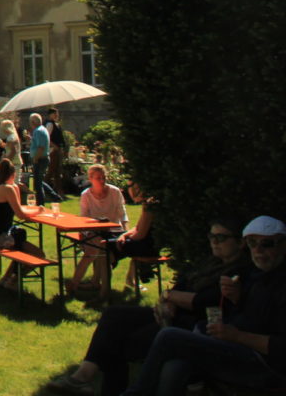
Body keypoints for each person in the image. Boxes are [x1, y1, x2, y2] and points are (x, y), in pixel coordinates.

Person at [49, 217, 249, 396]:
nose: (214, 242)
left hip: (193, 326)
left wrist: (169, 296)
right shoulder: (210, 263)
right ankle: (85, 374)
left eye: (221, 238)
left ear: (240, 243)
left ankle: (100, 386)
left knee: (122, 341)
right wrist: (169, 301)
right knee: (114, 315)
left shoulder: (239, 272)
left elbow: (204, 301)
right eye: (212, 236)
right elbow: (183, 285)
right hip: (174, 313)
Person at [121, 215, 286, 396]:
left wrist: (236, 336)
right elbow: (253, 315)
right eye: (253, 243)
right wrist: (237, 299)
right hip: (238, 347)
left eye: (267, 244)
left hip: (267, 365)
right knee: (176, 364)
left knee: (170, 336)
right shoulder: (256, 276)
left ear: (282, 245)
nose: (258, 250)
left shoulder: (277, 282)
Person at [0, 158, 44, 291]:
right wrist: (39, 211)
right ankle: (13, 280)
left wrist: (16, 187)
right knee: (39, 255)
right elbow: (21, 214)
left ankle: (6, 279)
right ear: (12, 174)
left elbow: (17, 208)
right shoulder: (7, 188)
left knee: (21, 246)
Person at [67, 164, 130, 298]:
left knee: (100, 248)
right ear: (91, 179)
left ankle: (81, 284)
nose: (102, 180)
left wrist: (125, 230)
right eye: (98, 178)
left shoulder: (114, 191)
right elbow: (83, 218)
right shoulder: (86, 195)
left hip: (113, 230)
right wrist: (91, 228)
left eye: (104, 177)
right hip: (93, 230)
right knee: (95, 248)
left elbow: (122, 213)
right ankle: (86, 285)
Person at [27, 112, 59, 205]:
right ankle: (54, 196)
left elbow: (41, 147)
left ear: (33, 122)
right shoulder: (41, 130)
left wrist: (36, 158)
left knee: (37, 183)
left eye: (30, 122)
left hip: (40, 158)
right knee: (39, 180)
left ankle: (40, 203)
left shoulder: (39, 131)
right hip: (42, 158)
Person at [46, 106, 66, 198]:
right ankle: (44, 188)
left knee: (58, 171)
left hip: (58, 149)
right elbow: (47, 137)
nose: (56, 115)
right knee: (51, 170)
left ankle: (59, 191)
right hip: (53, 150)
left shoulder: (56, 124)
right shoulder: (50, 124)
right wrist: (54, 146)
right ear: (50, 115)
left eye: (57, 114)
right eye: (54, 114)